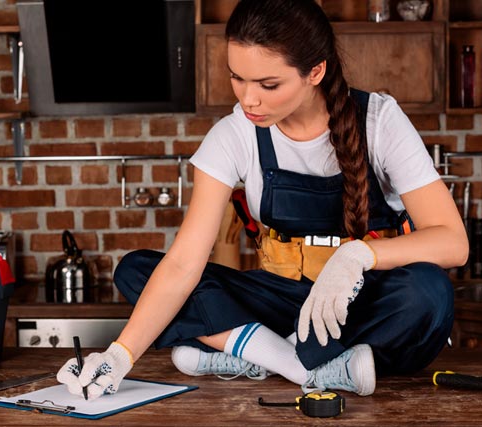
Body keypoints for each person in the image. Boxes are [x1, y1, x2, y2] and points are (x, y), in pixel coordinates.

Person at [57, 0, 468, 399]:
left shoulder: (379, 120)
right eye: (237, 78)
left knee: (428, 293)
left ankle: (249, 350)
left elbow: (453, 242)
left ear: (315, 71)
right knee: (137, 270)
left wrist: (358, 256)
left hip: (359, 304)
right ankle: (299, 364)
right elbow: (184, 264)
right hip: (281, 304)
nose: (247, 99)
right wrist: (118, 356)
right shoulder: (233, 134)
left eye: (268, 85)